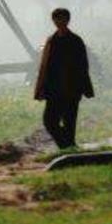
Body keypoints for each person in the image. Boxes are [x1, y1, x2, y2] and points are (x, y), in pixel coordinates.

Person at [34, 8, 94, 149]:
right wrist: (40, 87)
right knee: (49, 121)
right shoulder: (51, 41)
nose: (59, 22)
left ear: (68, 20)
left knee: (69, 121)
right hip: (53, 88)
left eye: (62, 19)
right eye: (56, 19)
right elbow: (44, 66)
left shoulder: (75, 41)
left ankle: (69, 148)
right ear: (53, 21)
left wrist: (86, 87)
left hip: (72, 88)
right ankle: (67, 146)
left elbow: (83, 66)